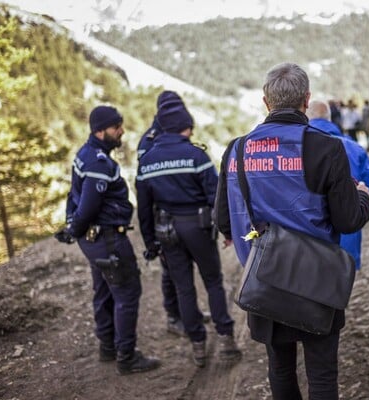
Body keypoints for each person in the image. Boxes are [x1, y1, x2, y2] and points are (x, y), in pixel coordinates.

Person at [215, 62, 369, 400]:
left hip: (266, 279)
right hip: (316, 281)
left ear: (265, 102)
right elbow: (347, 220)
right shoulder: (326, 147)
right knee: (322, 375)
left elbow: (224, 221)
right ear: (306, 99)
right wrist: (363, 198)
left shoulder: (237, 150)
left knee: (281, 369)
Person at [135, 95, 241, 368]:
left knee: (184, 288)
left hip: (167, 230)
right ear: (185, 127)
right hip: (197, 227)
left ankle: (198, 347)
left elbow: (144, 208)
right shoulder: (196, 155)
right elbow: (215, 196)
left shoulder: (147, 161)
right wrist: (226, 229)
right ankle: (227, 339)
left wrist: (151, 243)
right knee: (213, 282)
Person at [55, 105, 160, 375]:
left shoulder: (85, 153)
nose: (121, 131)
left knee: (103, 290)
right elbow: (89, 204)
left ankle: (108, 347)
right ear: (100, 131)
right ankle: (126, 357)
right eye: (116, 127)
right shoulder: (99, 162)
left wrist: (72, 227)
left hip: (94, 241)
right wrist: (74, 228)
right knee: (127, 292)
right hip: (108, 238)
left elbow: (73, 195)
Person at [306, 99, 369, 270]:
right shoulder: (353, 147)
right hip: (346, 243)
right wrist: (362, 198)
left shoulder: (297, 149)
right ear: (330, 118)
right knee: (341, 293)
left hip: (308, 245)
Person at [137, 90, 184, 337]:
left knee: (183, 269)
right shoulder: (148, 141)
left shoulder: (173, 132)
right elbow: (144, 186)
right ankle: (173, 317)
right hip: (161, 215)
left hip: (182, 212)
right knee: (169, 269)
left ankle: (187, 312)